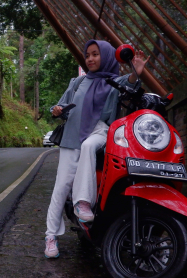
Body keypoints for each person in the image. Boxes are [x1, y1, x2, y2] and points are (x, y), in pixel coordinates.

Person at [44, 39, 148, 258]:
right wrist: (56, 110)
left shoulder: (113, 82)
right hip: (72, 134)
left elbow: (130, 85)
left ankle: (83, 203)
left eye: (95, 54)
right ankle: (51, 236)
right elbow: (60, 106)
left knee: (90, 146)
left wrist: (136, 72)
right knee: (61, 186)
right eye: (88, 55)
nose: (90, 59)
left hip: (99, 131)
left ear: (107, 56)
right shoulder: (77, 82)